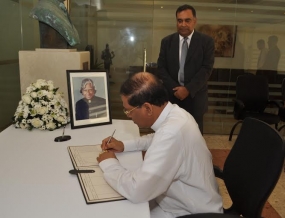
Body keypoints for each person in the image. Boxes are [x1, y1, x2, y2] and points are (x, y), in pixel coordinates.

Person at [97, 72, 223, 218]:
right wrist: (124, 145)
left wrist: (109, 163)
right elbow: (156, 138)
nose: (128, 115)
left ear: (147, 108)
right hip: (182, 201)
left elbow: (137, 190)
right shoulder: (177, 114)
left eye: (129, 110)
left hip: (190, 212)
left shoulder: (171, 133)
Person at [157, 4, 215, 134]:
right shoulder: (167, 42)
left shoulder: (206, 42)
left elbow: (206, 69)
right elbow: (161, 67)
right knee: (171, 134)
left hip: (195, 97)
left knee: (194, 136)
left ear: (194, 21)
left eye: (187, 20)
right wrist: (175, 89)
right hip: (172, 97)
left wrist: (188, 89)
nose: (183, 24)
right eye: (179, 20)